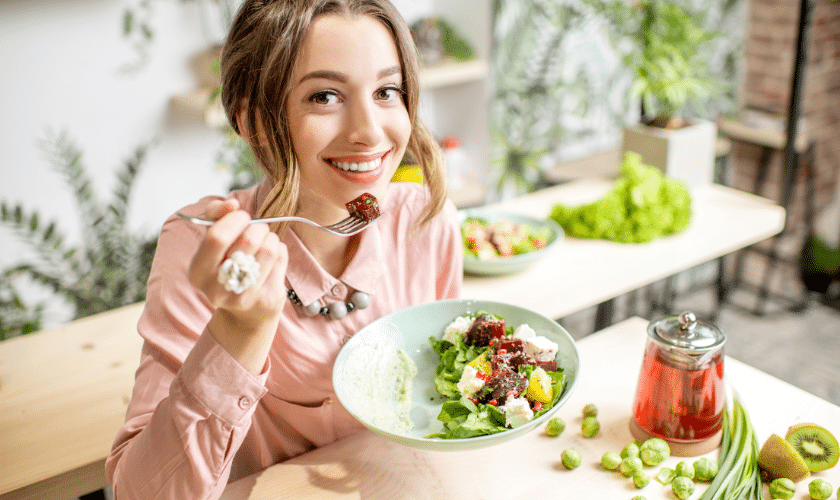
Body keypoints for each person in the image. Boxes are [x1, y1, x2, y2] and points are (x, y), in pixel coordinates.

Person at [105, 1, 463, 498]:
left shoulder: (425, 221)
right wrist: (239, 331)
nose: (369, 132)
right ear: (253, 122)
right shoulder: (203, 249)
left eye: (386, 91)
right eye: (324, 96)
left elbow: (442, 399)